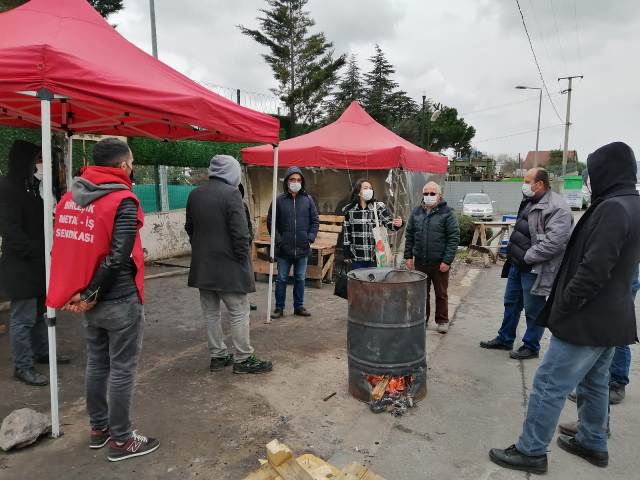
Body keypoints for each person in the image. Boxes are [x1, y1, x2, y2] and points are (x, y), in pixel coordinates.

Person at [489, 142, 640, 474]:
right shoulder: (632, 204)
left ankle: (531, 450)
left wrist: (564, 306)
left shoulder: (613, 208)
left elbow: (593, 270)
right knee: (594, 382)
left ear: (607, 172)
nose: (590, 179)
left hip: (586, 319)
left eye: (593, 171)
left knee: (548, 384)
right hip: (611, 319)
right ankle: (592, 441)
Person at [46, 138, 159, 462]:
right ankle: (122, 440)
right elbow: (118, 257)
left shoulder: (70, 198)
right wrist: (92, 293)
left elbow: (65, 247)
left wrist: (80, 294)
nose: (133, 166)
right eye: (132, 161)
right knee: (122, 369)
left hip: (87, 300)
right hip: (118, 298)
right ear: (122, 165)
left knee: (97, 363)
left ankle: (99, 429)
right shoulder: (122, 200)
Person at [186, 155, 272, 375]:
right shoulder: (232, 194)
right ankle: (243, 358)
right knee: (239, 312)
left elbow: (190, 229)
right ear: (232, 172)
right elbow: (241, 235)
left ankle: (218, 355)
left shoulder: (195, 194)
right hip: (229, 269)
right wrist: (242, 261)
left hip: (203, 268)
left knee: (211, 313)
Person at [480, 168, 572, 360]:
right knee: (511, 303)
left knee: (533, 309)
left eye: (526, 180)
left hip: (534, 267)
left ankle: (531, 346)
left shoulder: (557, 208)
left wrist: (528, 256)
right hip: (517, 264)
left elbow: (554, 242)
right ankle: (505, 339)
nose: (523, 183)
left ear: (539, 184)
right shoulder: (531, 200)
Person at [0, 140, 69, 387]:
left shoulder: (31, 186)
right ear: (24, 161)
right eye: (38, 159)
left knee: (42, 312)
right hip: (22, 265)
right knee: (23, 318)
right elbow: (10, 229)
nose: (41, 164)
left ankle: (42, 352)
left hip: (39, 263)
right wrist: (34, 251)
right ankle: (23, 366)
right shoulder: (7, 188)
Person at [404, 181, 460, 334]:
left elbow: (453, 237)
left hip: (439, 262)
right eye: (426, 193)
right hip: (421, 261)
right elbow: (409, 235)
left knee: (441, 293)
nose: (429, 196)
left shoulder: (447, 213)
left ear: (439, 195)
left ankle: (442, 320)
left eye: (432, 193)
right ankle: (422, 319)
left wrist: (447, 260)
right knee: (421, 293)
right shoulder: (416, 212)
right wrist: (408, 256)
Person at [268, 167, 319, 319]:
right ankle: (279, 307)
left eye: (298, 180)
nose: (295, 182)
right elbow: (271, 222)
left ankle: (299, 306)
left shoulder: (308, 200)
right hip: (284, 249)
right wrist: (279, 240)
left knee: (300, 278)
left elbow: (315, 221)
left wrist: (309, 238)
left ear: (302, 182)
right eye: (292, 179)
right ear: (287, 181)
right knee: (282, 278)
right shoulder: (279, 200)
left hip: (303, 248)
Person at [342, 179, 403, 269]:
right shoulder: (349, 210)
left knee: (375, 282)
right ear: (358, 192)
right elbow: (347, 233)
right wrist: (347, 252)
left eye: (370, 188)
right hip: (357, 256)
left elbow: (389, 223)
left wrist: (398, 224)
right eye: (365, 188)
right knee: (359, 282)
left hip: (376, 256)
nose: (369, 190)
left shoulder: (378, 207)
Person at [239, 183, 258, 311]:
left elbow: (248, 224)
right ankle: (239, 302)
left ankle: (245, 301)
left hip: (245, 244)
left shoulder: (243, 205)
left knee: (246, 274)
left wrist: (249, 238)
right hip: (233, 248)